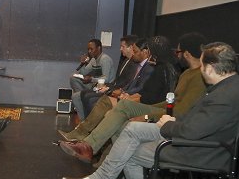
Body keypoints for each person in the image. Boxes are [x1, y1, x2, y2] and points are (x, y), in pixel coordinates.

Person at [62, 42, 239, 179]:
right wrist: (173, 121)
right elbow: (199, 123)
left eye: (202, 65)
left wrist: (169, 124)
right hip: (192, 139)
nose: (200, 69)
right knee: (132, 129)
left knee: (131, 153)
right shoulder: (228, 88)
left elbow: (192, 131)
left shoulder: (225, 96)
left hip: (199, 151)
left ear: (210, 68)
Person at [59, 33, 207, 163]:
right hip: (159, 109)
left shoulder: (199, 77)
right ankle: (88, 146)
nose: (177, 54)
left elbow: (179, 111)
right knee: (122, 106)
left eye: (179, 52)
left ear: (187, 54)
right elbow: (170, 102)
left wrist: (147, 115)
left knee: (117, 112)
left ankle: (96, 154)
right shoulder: (187, 73)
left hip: (170, 120)